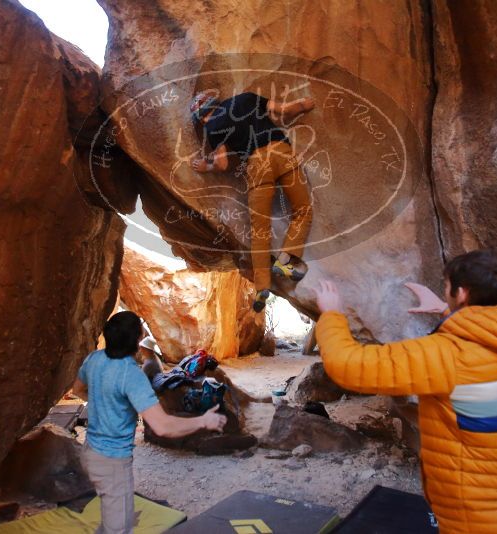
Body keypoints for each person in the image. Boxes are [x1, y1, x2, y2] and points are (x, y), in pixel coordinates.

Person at [313, 250, 497, 533]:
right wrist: (446, 310)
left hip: (485, 518)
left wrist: (331, 314)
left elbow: (349, 366)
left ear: (462, 293)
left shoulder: (450, 355)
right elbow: (486, 341)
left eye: (447, 287)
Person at [73, 311, 227, 534]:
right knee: (119, 529)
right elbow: (163, 426)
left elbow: (77, 389)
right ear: (136, 341)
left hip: (90, 453)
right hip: (112, 464)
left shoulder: (93, 359)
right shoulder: (131, 375)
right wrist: (203, 421)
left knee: (113, 518)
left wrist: (103, 403)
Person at [189, 91, 316, 312]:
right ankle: (285, 259)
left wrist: (205, 167)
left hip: (256, 165)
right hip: (281, 152)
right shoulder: (245, 98)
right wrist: (305, 105)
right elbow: (285, 110)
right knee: (303, 210)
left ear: (201, 117)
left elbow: (222, 165)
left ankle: (262, 288)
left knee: (260, 231)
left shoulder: (211, 129)